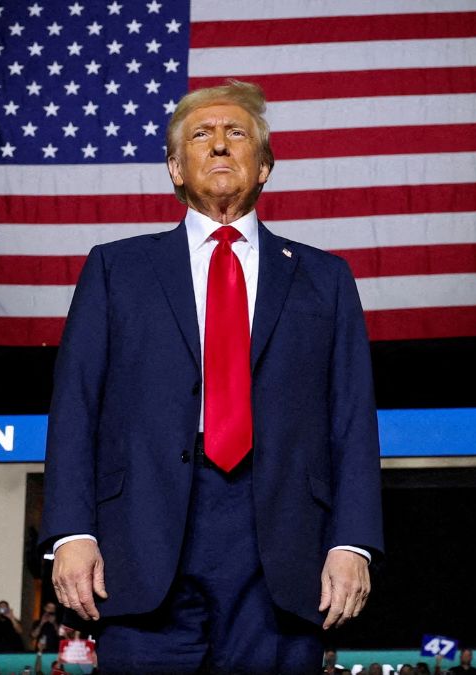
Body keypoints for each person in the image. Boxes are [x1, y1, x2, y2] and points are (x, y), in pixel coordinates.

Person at [42, 79, 384, 675]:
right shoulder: (115, 268)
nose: (220, 145)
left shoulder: (325, 279)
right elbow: (76, 406)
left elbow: (351, 419)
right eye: (201, 135)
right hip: (140, 540)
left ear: (266, 166)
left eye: (237, 134)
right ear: (175, 168)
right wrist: (71, 531)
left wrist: (351, 542)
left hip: (279, 544)